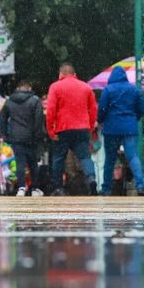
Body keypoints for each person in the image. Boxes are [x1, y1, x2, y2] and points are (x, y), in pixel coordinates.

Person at [45, 63, 98, 196]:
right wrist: (90, 127)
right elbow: (93, 110)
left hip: (62, 128)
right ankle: (91, 178)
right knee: (85, 157)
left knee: (58, 158)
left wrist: (50, 129)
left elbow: (50, 110)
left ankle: (58, 187)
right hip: (82, 128)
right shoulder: (86, 87)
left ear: (60, 75)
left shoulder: (55, 87)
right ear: (75, 75)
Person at [96, 66, 144, 196]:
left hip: (111, 128)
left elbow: (102, 109)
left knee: (110, 159)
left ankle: (106, 188)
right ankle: (140, 185)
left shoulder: (108, 90)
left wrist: (100, 120)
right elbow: (141, 108)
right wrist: (134, 119)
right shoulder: (134, 89)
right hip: (129, 128)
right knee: (133, 156)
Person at [0, 80, 45, 196]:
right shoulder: (35, 100)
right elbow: (39, 120)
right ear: (29, 88)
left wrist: (5, 134)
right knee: (33, 163)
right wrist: (37, 135)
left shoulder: (9, 101)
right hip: (31, 136)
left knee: (20, 162)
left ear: (18, 88)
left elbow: (3, 118)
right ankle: (34, 188)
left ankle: (21, 188)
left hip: (16, 136)